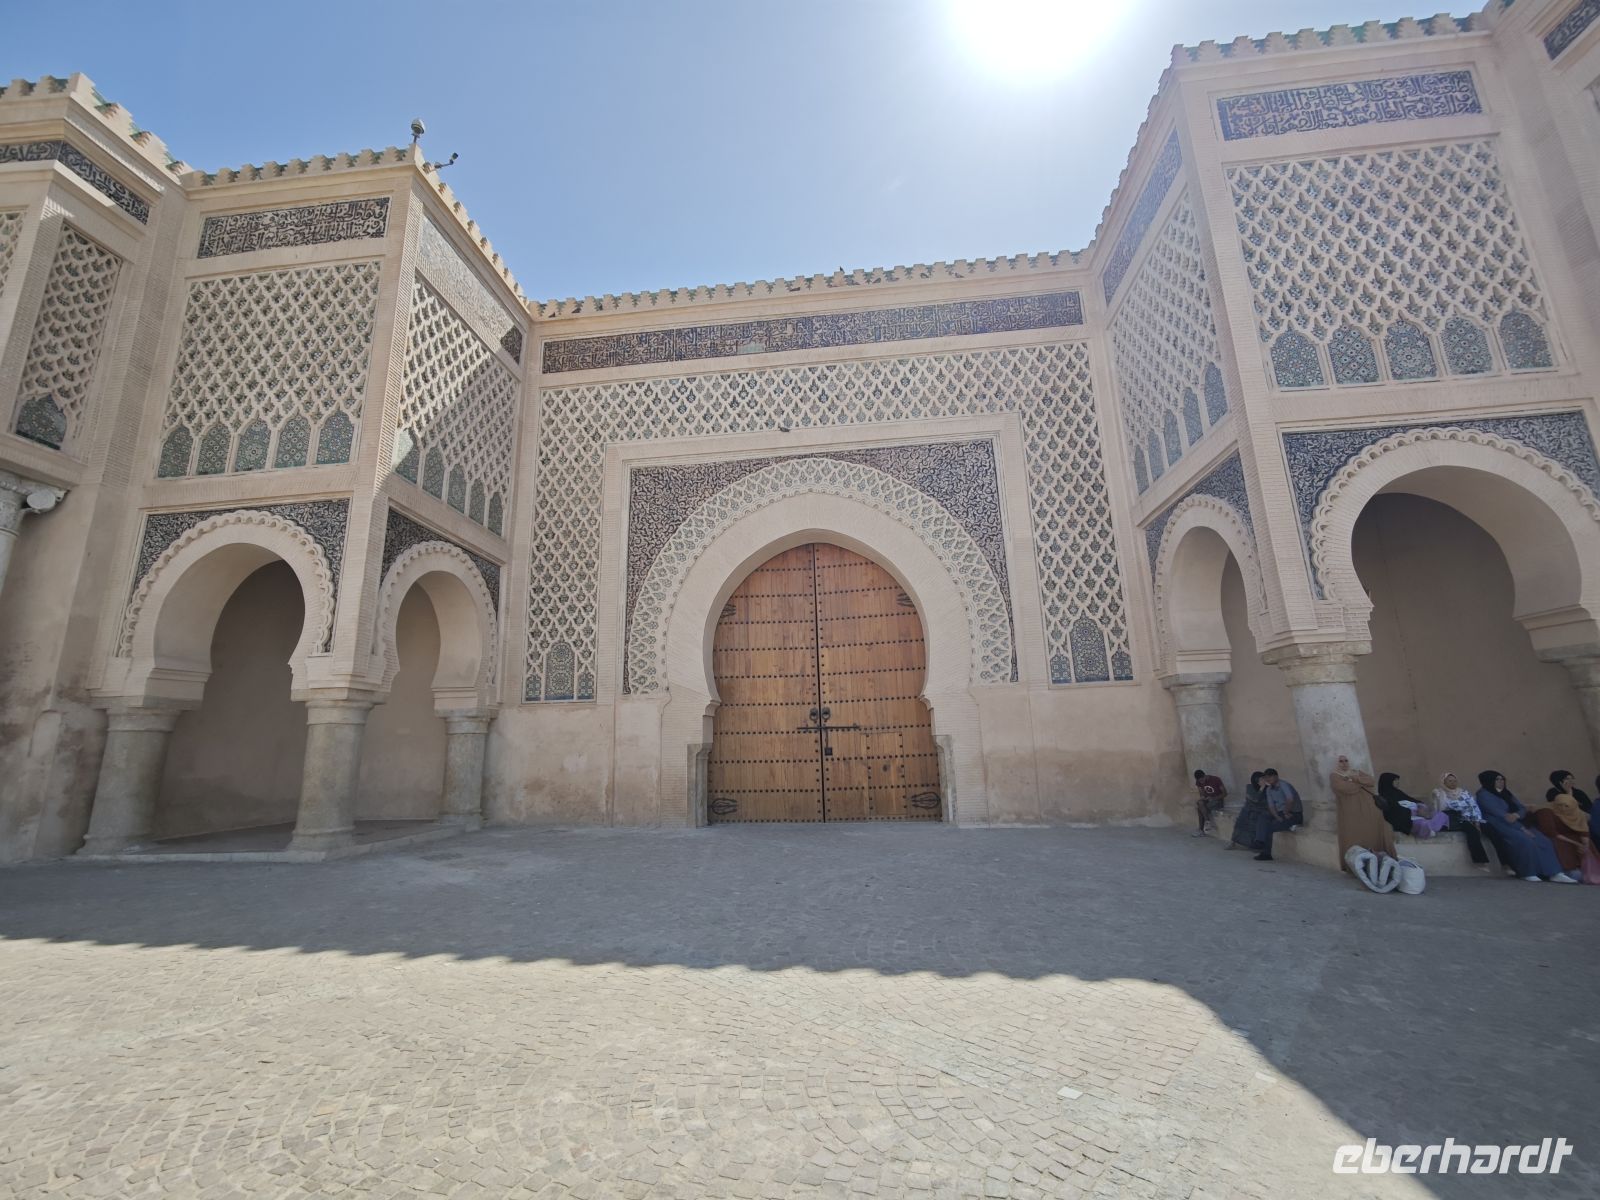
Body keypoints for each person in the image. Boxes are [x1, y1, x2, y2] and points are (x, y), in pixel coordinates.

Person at [1475, 770, 1578, 883]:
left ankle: (1555, 873)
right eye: (1497, 779)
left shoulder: (1506, 793)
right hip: (1499, 824)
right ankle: (1528, 872)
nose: (1501, 781)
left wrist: (1517, 814)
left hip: (1517, 822)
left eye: (1502, 779)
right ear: (1489, 781)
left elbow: (1521, 808)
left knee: (1543, 841)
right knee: (1525, 841)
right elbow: (1502, 816)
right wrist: (1522, 828)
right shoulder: (1483, 795)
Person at [1331, 755, 1396, 870]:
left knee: (1374, 831)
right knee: (1354, 835)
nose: (1344, 763)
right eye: (1341, 761)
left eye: (1346, 760)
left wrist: (1355, 779)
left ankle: (1379, 859)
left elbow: (1371, 781)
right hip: (1351, 811)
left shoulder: (1356, 772)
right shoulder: (1335, 776)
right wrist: (1361, 783)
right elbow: (1344, 788)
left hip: (1370, 808)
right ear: (1337, 763)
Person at [1432, 772, 1494, 869]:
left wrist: (1476, 820)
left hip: (1471, 818)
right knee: (1472, 831)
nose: (1453, 783)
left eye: (1454, 781)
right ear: (1443, 782)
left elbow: (1473, 806)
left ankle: (1506, 862)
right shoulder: (1439, 793)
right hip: (1456, 819)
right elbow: (1440, 809)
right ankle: (1480, 861)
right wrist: (1439, 796)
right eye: (1450, 781)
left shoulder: (1464, 792)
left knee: (1491, 829)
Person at [1541, 771, 1593, 874]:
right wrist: (1569, 794)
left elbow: (1588, 810)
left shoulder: (1579, 793)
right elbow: (1563, 810)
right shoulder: (1553, 792)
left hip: (1580, 824)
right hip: (1562, 825)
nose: (1570, 781)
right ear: (1559, 781)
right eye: (1567, 779)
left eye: (1571, 778)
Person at [1379, 772, 1449, 838]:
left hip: (1417, 813)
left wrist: (1421, 806)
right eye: (1395, 780)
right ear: (1388, 782)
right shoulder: (1385, 797)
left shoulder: (1398, 792)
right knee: (1422, 824)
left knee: (1440, 815)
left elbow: (1411, 799)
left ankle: (1433, 827)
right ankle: (1430, 828)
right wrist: (1414, 812)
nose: (1398, 782)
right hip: (1406, 819)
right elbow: (1394, 812)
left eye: (1398, 780)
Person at [1253, 768, 1302, 862]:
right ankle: (1259, 841)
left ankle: (1266, 854)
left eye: (1270, 777)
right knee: (1263, 817)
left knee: (1269, 827)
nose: (1268, 779)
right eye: (1266, 777)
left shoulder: (1284, 785)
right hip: (1281, 813)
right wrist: (1277, 817)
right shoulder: (1269, 789)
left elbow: (1290, 799)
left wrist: (1286, 812)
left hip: (1293, 814)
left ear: (1276, 776)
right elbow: (1271, 806)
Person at [1229, 771, 1266, 851]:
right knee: (1239, 825)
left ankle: (1252, 846)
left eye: (1264, 778)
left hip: (1258, 812)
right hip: (1247, 810)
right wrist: (1262, 788)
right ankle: (1233, 843)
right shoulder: (1249, 787)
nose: (1264, 780)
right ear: (1256, 780)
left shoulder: (1267, 789)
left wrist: (1263, 788)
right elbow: (1255, 799)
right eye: (1261, 779)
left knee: (1253, 828)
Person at [1192, 769, 1227, 837]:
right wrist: (1203, 797)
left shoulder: (1216, 779)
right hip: (1208, 800)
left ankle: (1202, 829)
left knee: (1200, 809)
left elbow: (1225, 793)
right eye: (1199, 781)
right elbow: (1201, 793)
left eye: (1202, 780)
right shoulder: (1198, 782)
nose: (1201, 782)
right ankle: (1207, 822)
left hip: (1218, 801)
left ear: (1204, 776)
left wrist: (1213, 798)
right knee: (1199, 802)